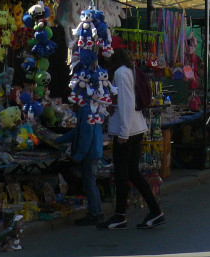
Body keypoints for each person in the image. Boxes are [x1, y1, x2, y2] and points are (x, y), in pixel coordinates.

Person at [98, 48, 165, 229]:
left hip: (127, 132)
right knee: (132, 173)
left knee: (122, 173)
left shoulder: (120, 74)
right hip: (136, 128)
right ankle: (155, 211)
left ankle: (121, 215)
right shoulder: (130, 70)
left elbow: (126, 103)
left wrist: (123, 133)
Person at [60, 103, 104, 226]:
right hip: (94, 151)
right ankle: (98, 212)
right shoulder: (94, 108)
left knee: (89, 184)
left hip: (89, 154)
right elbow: (79, 131)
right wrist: (59, 139)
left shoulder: (86, 110)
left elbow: (85, 135)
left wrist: (78, 156)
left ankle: (94, 214)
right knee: (92, 184)